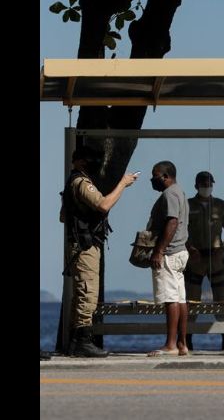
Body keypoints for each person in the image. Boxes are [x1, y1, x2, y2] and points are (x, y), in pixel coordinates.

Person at [60, 146, 138, 357]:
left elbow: (63, 216)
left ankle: (76, 342)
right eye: (88, 160)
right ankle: (83, 342)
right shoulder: (81, 183)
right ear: (79, 161)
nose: (92, 163)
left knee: (81, 294)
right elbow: (104, 205)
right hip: (84, 246)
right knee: (88, 292)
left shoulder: (72, 183)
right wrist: (123, 184)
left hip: (80, 243)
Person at [184, 171, 224, 351]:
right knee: (191, 301)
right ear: (196, 186)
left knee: (221, 301)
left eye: (209, 184)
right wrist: (189, 249)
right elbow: (180, 231)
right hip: (195, 257)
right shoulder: (187, 205)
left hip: (216, 257)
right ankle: (187, 339)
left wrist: (223, 249)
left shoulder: (221, 205)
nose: (206, 187)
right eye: (203, 184)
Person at [146, 161, 190, 357]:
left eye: (154, 176)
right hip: (180, 251)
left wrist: (159, 251)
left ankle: (170, 344)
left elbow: (172, 221)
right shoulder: (180, 192)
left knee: (170, 298)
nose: (151, 180)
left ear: (165, 176)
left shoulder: (170, 194)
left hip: (170, 253)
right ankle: (182, 344)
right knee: (180, 299)